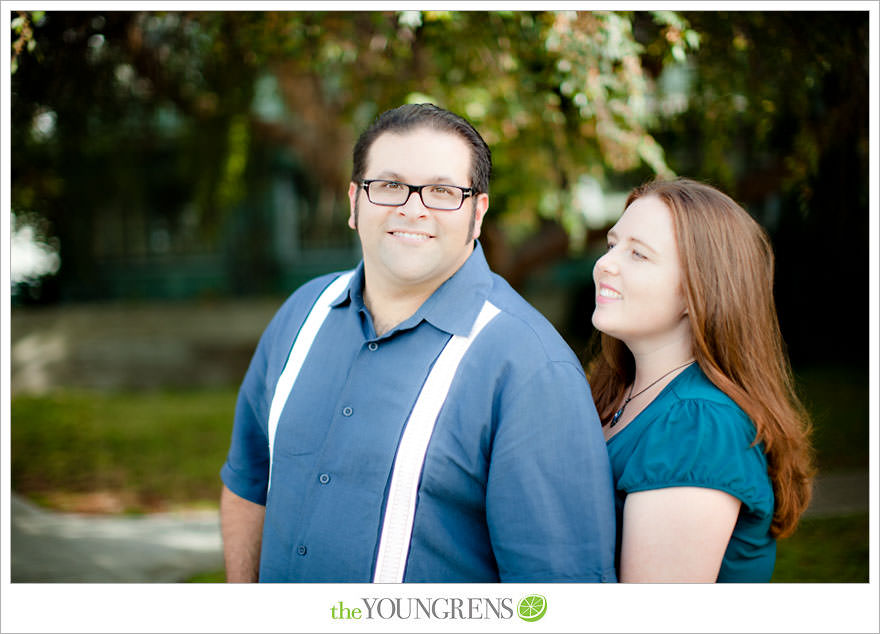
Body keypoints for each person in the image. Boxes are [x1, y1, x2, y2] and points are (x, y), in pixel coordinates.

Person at [220, 103, 617, 583]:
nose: (412, 208)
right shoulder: (302, 314)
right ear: (353, 202)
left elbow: (558, 589)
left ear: (477, 213)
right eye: (388, 185)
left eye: (443, 191)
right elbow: (248, 485)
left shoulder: (531, 368)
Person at [588, 177, 815, 582]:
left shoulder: (698, 427)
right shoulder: (613, 389)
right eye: (612, 244)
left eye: (638, 254)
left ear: (699, 290)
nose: (605, 263)